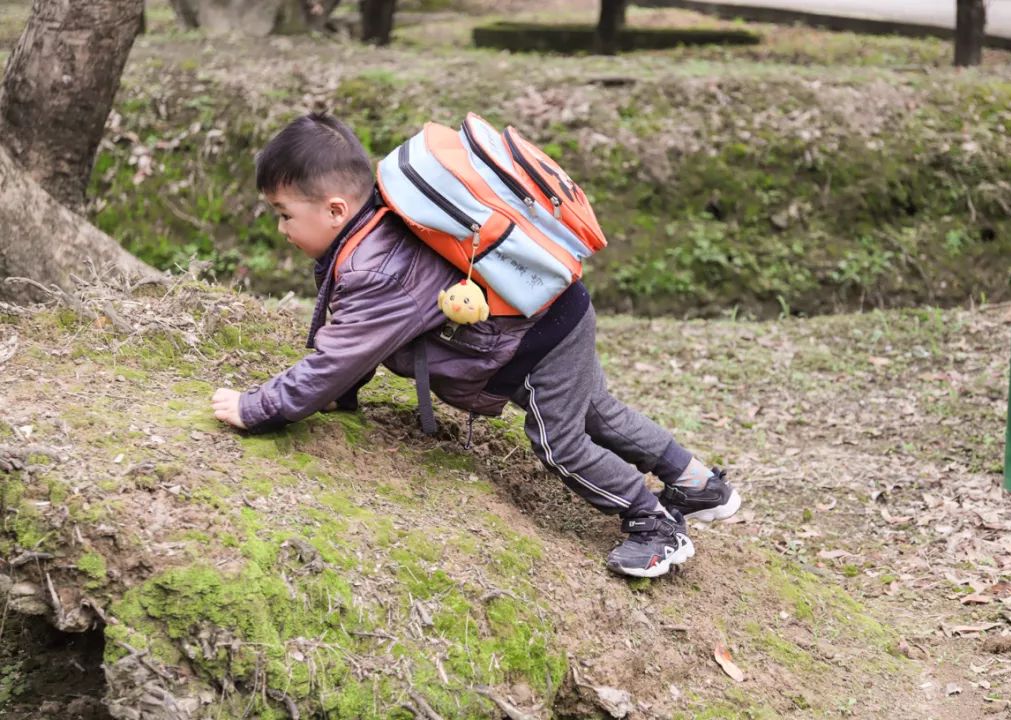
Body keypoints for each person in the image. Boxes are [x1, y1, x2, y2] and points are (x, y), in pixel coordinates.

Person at [210, 112, 741, 578]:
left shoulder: (380, 268)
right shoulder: (379, 225)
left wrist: (259, 407)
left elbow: (344, 353)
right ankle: (699, 484)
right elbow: (359, 342)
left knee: (560, 441)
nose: (281, 228)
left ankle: (654, 523)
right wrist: (338, 394)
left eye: (283, 213)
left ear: (333, 208)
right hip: (555, 311)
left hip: (533, 343)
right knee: (598, 413)